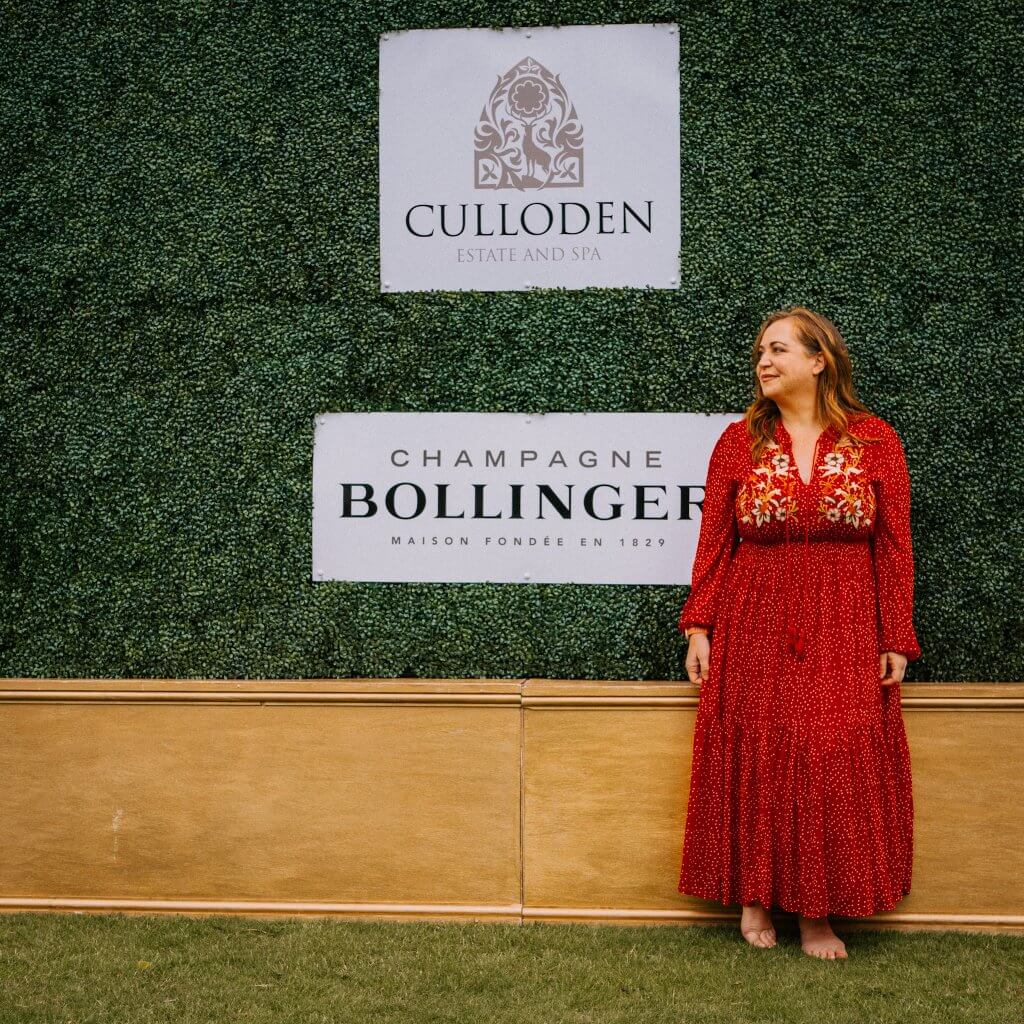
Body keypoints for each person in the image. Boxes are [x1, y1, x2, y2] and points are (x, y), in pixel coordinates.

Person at [677, 305, 921, 960]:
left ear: (820, 361)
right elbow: (714, 544)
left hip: (846, 617)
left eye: (779, 349)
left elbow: (895, 548)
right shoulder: (738, 442)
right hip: (753, 617)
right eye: (760, 350)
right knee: (760, 752)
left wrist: (896, 634)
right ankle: (755, 899)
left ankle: (818, 914)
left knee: (827, 753)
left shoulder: (876, 442)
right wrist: (700, 624)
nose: (764, 360)